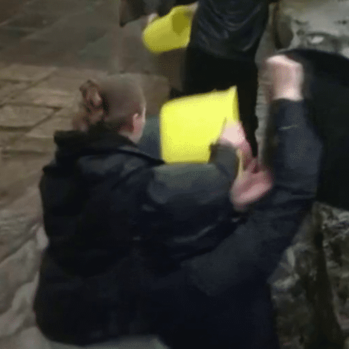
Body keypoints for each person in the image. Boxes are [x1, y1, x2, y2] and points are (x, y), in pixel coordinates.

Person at [34, 55, 322, 349]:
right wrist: (287, 96)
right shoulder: (206, 274)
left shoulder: (63, 174)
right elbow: (294, 190)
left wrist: (229, 200)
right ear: (135, 121)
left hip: (63, 317)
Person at [182, 0, 349, 157]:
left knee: (193, 109)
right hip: (232, 53)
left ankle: (189, 159)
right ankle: (246, 166)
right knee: (244, 119)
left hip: (199, 45)